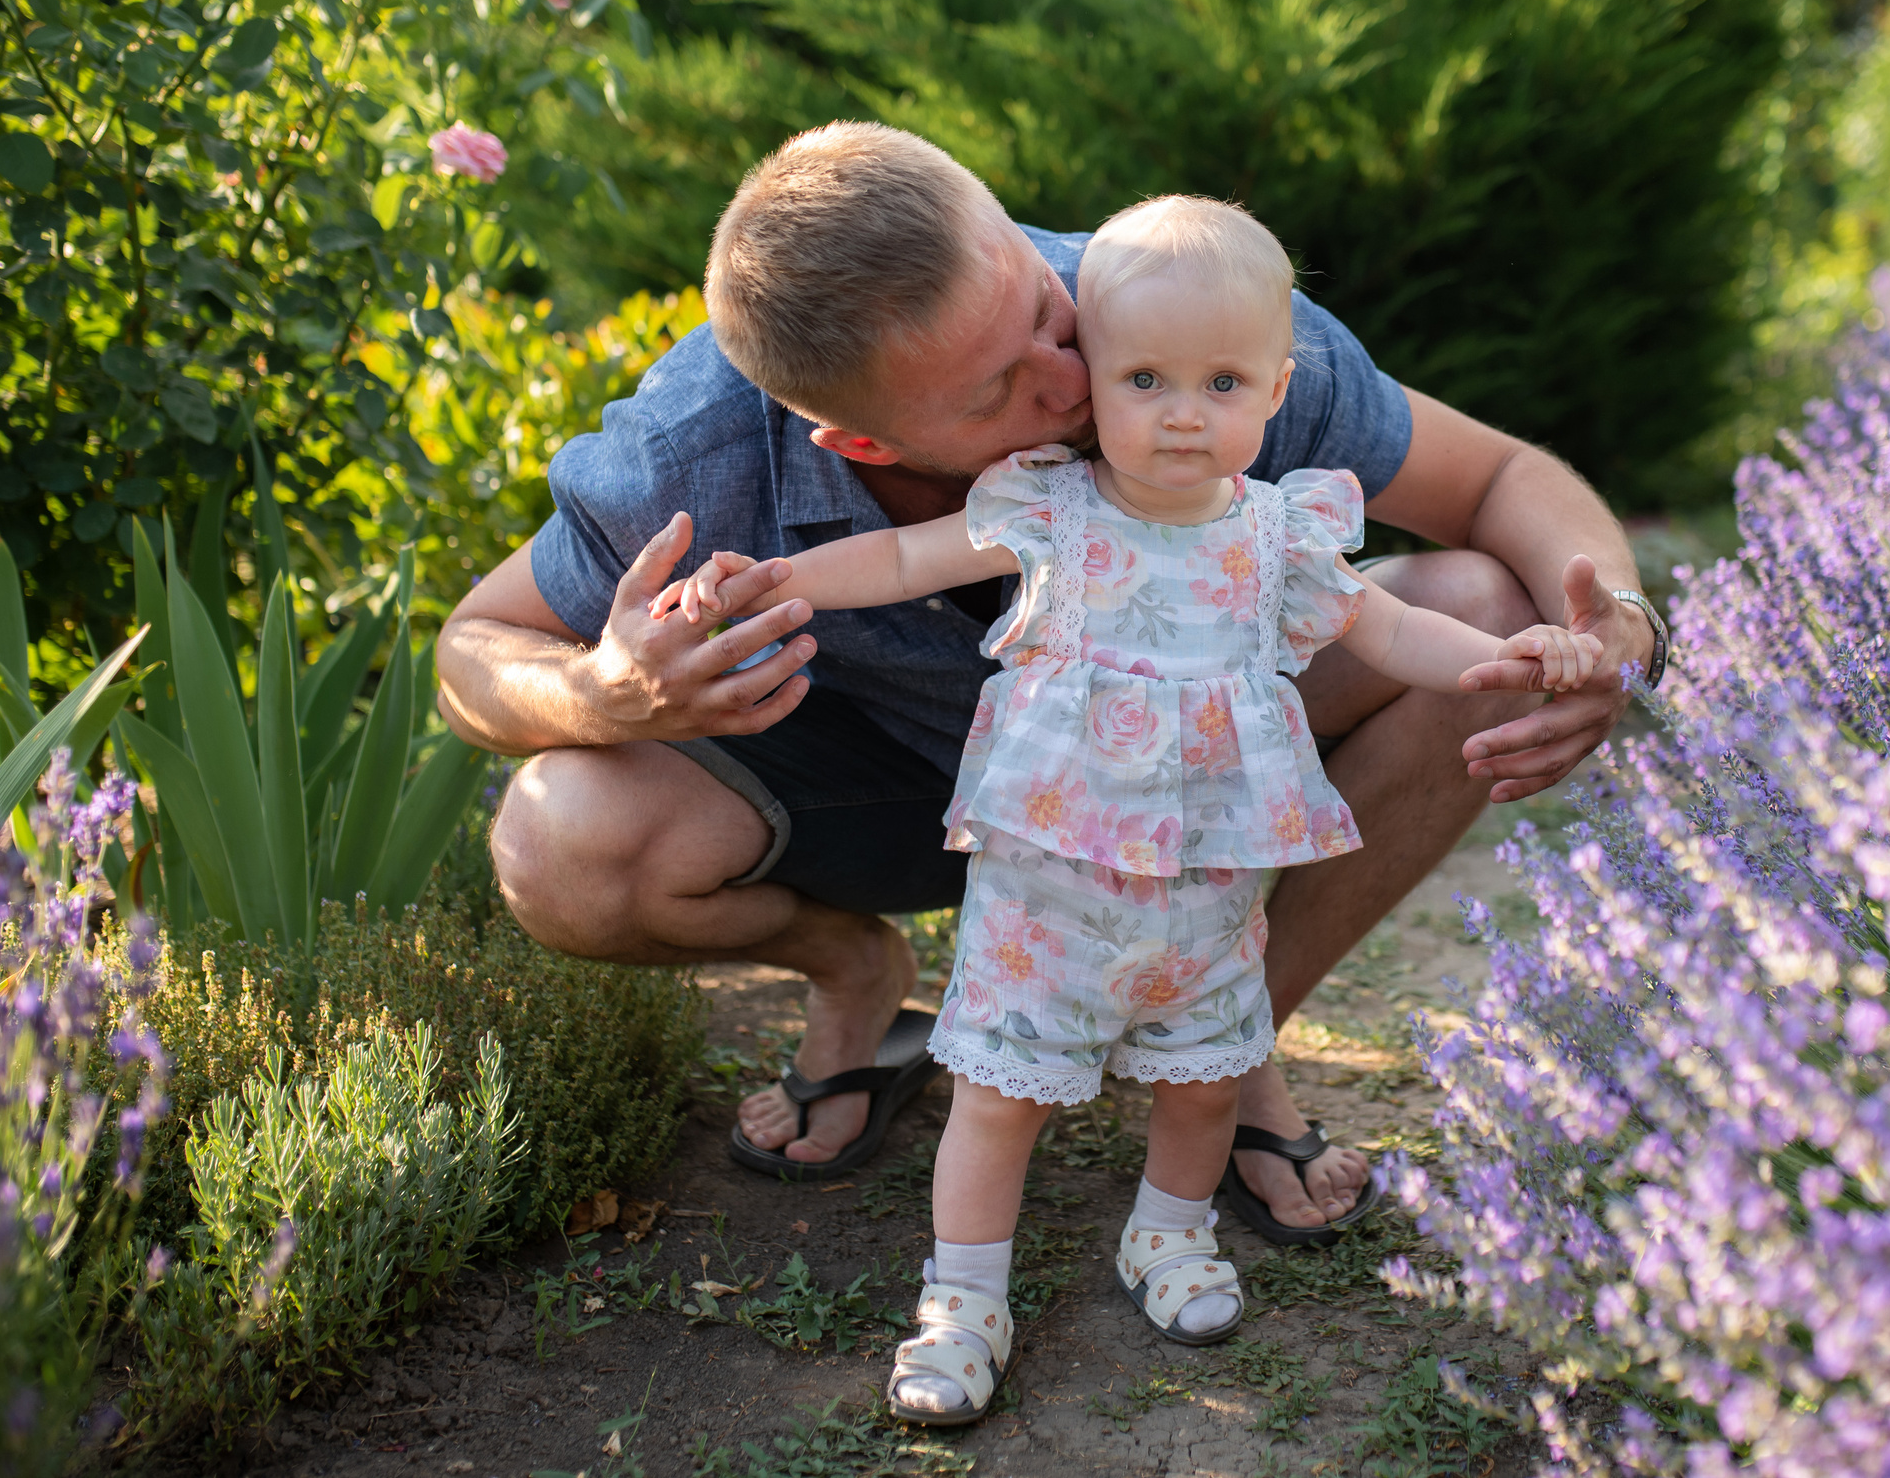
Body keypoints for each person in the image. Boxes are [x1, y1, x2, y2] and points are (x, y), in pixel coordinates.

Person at [433, 121, 1665, 1242]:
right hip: (893, 791)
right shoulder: (689, 451)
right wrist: (604, 690)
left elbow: (1499, 478)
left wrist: (1617, 625)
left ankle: (1219, 1051)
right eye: (1001, 389)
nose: (1074, 379)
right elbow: (470, 652)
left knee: (1484, 617)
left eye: (1039, 304)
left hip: (1178, 758)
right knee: (560, 841)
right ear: (858, 441)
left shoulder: (1177, 313)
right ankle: (859, 972)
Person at [659, 196, 1603, 1422]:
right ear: (1089, 378)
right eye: (1144, 376)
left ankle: (1165, 1232)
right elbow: (897, 562)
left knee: (1205, 1080)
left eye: (1221, 382)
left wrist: (1509, 655)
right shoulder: (1048, 508)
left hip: (1203, 891)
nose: (1180, 411)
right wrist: (772, 580)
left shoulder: (1282, 534)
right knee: (999, 1100)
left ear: (1275, 393)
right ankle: (963, 1293)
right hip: (1046, 888)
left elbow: (1396, 626)